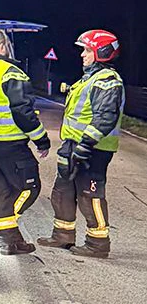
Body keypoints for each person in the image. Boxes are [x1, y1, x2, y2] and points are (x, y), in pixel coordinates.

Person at [36, 29, 123, 259]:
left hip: (93, 149)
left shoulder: (107, 82)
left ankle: (98, 243)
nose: (82, 55)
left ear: (102, 52)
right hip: (74, 144)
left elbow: (105, 117)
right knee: (62, 190)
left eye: (87, 50)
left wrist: (85, 145)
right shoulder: (90, 79)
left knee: (89, 195)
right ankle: (62, 235)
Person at [0, 28, 51, 255]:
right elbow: (23, 111)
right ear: (3, 46)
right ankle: (0, 227)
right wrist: (41, 140)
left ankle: (9, 239)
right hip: (10, 143)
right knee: (30, 187)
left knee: (3, 190)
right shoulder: (11, 72)